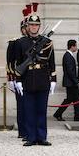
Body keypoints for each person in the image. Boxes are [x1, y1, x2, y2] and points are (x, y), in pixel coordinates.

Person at [13, 8, 57, 146]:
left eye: (36, 25)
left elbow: (52, 62)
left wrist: (53, 79)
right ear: (27, 26)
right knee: (29, 111)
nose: (34, 27)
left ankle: (41, 137)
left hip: (42, 78)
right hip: (27, 79)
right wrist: (18, 80)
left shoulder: (47, 42)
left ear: (39, 27)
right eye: (31, 25)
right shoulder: (21, 43)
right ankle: (31, 137)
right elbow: (18, 63)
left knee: (41, 110)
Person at [6, 6, 30, 140]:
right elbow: (11, 62)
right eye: (26, 27)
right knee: (22, 106)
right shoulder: (15, 42)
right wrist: (11, 78)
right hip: (19, 77)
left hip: (33, 77)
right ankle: (23, 130)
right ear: (22, 29)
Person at [54, 39, 79, 122]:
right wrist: (76, 81)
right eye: (76, 46)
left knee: (73, 99)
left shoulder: (69, 55)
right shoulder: (68, 56)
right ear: (72, 46)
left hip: (70, 82)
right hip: (70, 82)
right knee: (72, 99)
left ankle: (77, 116)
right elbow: (70, 71)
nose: (76, 47)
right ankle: (59, 114)